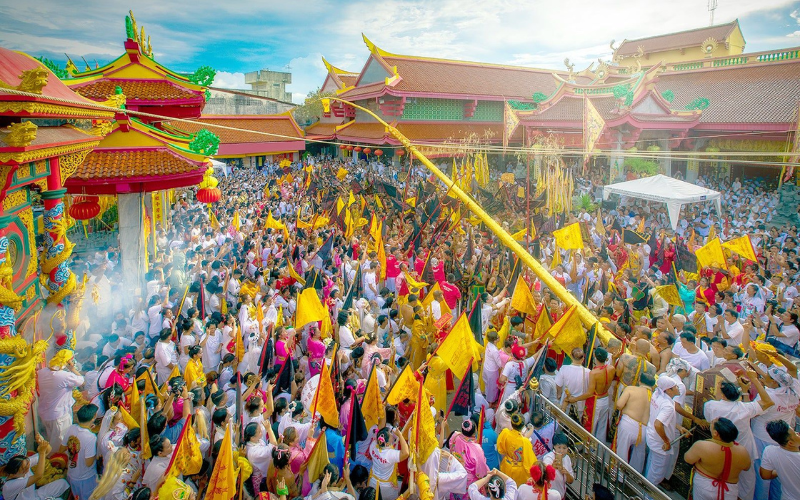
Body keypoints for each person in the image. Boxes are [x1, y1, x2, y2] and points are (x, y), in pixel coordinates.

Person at [684, 418, 751, 500]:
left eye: (712, 422)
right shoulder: (743, 451)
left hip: (705, 486)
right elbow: (746, 467)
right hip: (729, 491)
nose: (710, 423)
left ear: (715, 433)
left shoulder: (702, 446)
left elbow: (688, 459)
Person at [37, 349, 84, 450]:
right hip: (59, 416)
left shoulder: (42, 372)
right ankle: (57, 459)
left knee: (51, 439)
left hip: (45, 413)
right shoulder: (64, 376)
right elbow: (82, 381)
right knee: (61, 444)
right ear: (67, 362)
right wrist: (72, 369)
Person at [565, 347, 614, 442]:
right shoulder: (611, 368)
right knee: (602, 428)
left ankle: (588, 448)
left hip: (596, 402)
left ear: (595, 356)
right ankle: (599, 449)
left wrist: (575, 399)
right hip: (605, 399)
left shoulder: (594, 373)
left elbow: (589, 393)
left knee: (590, 428)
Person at [1, 435, 70, 500]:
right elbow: (38, 476)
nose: (27, 468)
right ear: (13, 474)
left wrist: (42, 442)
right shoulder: (9, 486)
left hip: (34, 495)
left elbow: (48, 450)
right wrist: (42, 453)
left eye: (27, 464)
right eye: (23, 469)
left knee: (62, 483)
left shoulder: (24, 464)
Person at [644, 377, 681, 487]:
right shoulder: (667, 405)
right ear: (668, 390)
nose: (678, 388)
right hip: (660, 443)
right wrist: (666, 441)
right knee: (656, 475)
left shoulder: (656, 394)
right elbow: (658, 424)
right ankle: (647, 494)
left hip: (652, 436)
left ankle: (645, 490)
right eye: (675, 386)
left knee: (651, 467)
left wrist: (678, 427)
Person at [60, 404, 100, 500]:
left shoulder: (72, 428)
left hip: (72, 473)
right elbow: (88, 463)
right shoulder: (91, 438)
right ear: (94, 417)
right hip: (86, 478)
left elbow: (61, 449)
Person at [760, 419, 800, 500]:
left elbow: (765, 475)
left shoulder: (769, 451)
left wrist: (781, 470)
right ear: (790, 443)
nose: (798, 433)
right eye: (795, 433)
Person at [367, 427, 408, 500]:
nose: (392, 435)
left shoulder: (373, 445)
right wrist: (400, 435)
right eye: (391, 434)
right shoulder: (390, 454)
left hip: (373, 482)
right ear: (388, 443)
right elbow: (406, 453)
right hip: (387, 488)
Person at [497, 414, 537, 487]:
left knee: (506, 487)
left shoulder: (505, 433)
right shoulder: (525, 442)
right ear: (523, 426)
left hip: (507, 466)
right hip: (519, 471)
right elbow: (530, 461)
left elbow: (501, 449)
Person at [540, 433, 573, 499]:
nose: (562, 451)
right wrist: (552, 467)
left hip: (562, 495)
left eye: (564, 448)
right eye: (559, 447)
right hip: (549, 496)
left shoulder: (567, 458)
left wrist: (566, 473)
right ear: (554, 446)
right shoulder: (548, 458)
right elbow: (543, 476)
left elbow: (571, 481)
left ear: (567, 448)